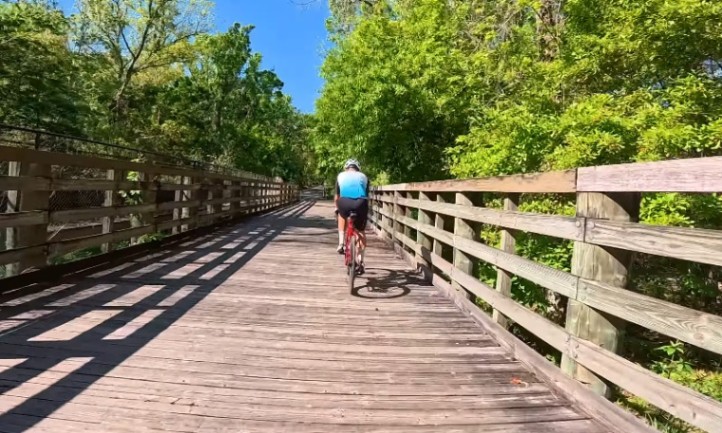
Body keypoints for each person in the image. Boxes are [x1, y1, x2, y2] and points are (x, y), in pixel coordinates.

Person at [335, 158, 369, 274]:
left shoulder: (341, 176)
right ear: (358, 169)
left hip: (344, 202)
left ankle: (341, 243)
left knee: (340, 213)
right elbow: (366, 196)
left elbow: (337, 196)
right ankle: (361, 260)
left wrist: (337, 208)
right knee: (361, 230)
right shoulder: (363, 176)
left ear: (346, 168)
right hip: (360, 202)